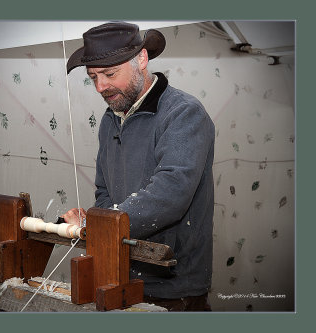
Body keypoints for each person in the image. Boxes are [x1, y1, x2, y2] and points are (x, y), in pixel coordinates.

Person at [63, 21, 214, 311]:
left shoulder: (184, 113)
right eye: (93, 77)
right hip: (120, 274)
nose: (100, 87)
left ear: (141, 60)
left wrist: (96, 225)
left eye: (109, 73)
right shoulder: (110, 120)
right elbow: (104, 192)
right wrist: (100, 221)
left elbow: (170, 196)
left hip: (173, 285)